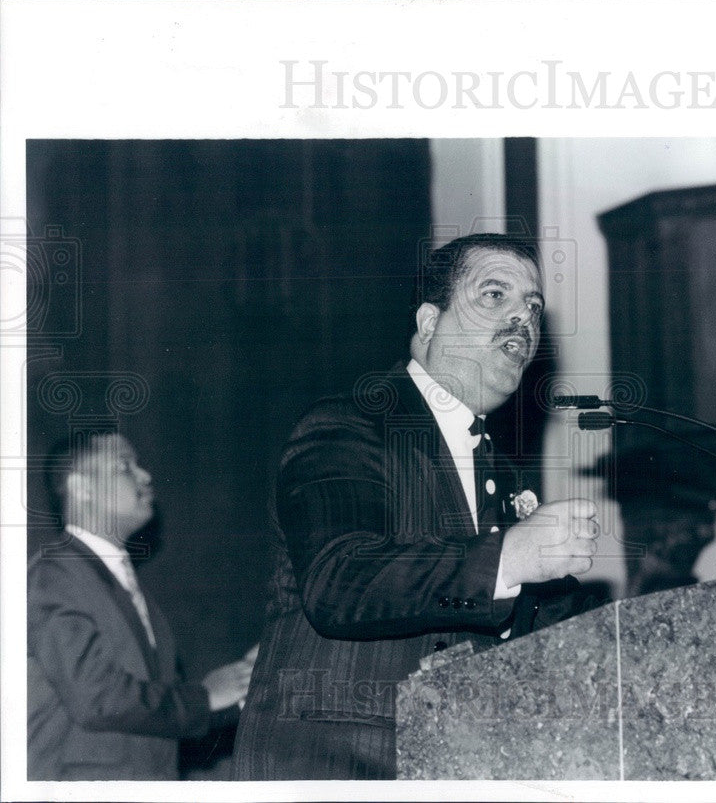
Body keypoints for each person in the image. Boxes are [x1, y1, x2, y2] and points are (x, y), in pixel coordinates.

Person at [232, 233, 602, 780]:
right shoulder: (349, 426)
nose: (522, 320)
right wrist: (509, 559)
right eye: (495, 296)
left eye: (533, 307)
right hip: (339, 766)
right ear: (428, 324)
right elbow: (339, 581)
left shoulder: (501, 474)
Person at [27, 432, 255, 780]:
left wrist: (244, 684)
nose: (145, 476)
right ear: (82, 488)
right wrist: (204, 698)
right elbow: (97, 698)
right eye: (124, 465)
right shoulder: (54, 574)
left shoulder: (121, 583)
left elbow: (157, 717)